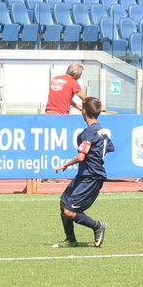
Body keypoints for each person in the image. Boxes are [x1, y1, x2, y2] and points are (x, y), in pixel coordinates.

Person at [52, 96, 111, 247]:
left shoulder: (88, 133)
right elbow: (108, 148)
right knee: (63, 203)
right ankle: (70, 240)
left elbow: (81, 156)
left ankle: (97, 226)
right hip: (85, 174)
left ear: (84, 111)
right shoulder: (102, 131)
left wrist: (65, 165)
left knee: (69, 211)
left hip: (91, 177)